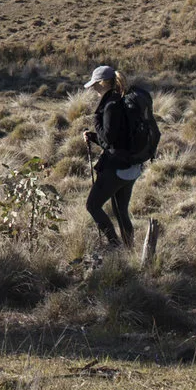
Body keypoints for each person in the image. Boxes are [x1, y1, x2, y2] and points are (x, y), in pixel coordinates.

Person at [81, 65, 158, 260]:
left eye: (94, 85)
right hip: (133, 164)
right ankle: (130, 251)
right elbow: (118, 139)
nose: (92, 89)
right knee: (121, 210)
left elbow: (109, 138)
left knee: (93, 206)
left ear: (102, 83)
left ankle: (115, 245)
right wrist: (94, 137)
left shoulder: (111, 106)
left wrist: (96, 122)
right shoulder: (123, 100)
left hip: (116, 168)